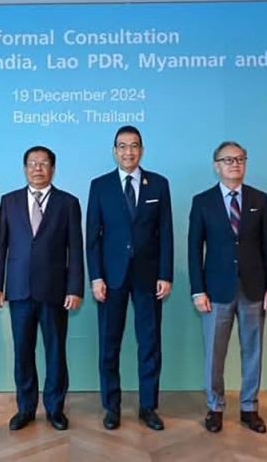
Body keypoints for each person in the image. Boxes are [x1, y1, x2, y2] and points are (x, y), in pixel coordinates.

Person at [188, 141, 267, 434]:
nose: (235, 164)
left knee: (253, 351)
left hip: (254, 288)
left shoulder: (259, 199)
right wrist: (198, 290)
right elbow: (194, 250)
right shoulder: (202, 201)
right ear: (216, 166)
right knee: (214, 354)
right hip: (216, 290)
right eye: (228, 160)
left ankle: (249, 408)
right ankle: (215, 408)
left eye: (240, 159)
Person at [0, 146, 84, 431]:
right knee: (23, 351)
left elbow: (75, 250)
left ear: (53, 169)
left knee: (55, 351)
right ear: (25, 168)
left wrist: (75, 288)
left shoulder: (68, 203)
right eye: (32, 164)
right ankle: (26, 408)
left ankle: (55, 408)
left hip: (55, 290)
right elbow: (0, 247)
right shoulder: (9, 201)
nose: (37, 169)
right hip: (19, 289)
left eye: (43, 164)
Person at [86, 125, 173, 431]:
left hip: (148, 277)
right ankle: (112, 407)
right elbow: (93, 237)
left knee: (149, 343)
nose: (128, 152)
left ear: (142, 150)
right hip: (111, 279)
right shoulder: (100, 186)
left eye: (134, 146)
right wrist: (96, 277)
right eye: (122, 146)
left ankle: (148, 407)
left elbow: (166, 233)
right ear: (114, 151)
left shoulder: (158, 184)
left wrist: (165, 274)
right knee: (109, 345)